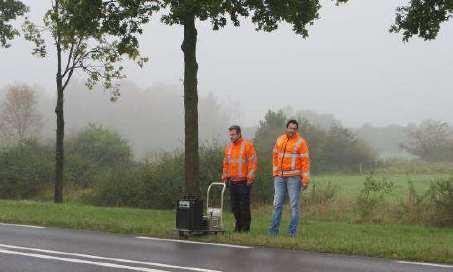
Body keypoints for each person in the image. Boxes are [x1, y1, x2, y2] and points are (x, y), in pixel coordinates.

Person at [268, 120, 311, 237]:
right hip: (280, 177)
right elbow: (275, 156)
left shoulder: (301, 142)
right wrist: (275, 172)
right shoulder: (280, 139)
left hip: (294, 178)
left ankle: (292, 233)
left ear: (297, 130)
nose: (292, 130)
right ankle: (273, 232)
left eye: (294, 128)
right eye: (290, 128)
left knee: (294, 205)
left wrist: (305, 179)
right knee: (277, 204)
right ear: (286, 128)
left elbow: (305, 162)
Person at [222, 125, 257, 232]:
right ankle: (238, 225)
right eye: (230, 135)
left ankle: (246, 228)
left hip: (244, 182)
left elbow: (253, 162)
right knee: (234, 207)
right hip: (232, 181)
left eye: (233, 134)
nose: (231, 137)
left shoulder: (248, 146)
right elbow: (226, 163)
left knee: (244, 206)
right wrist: (225, 176)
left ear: (239, 134)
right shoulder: (228, 147)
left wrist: (250, 177)